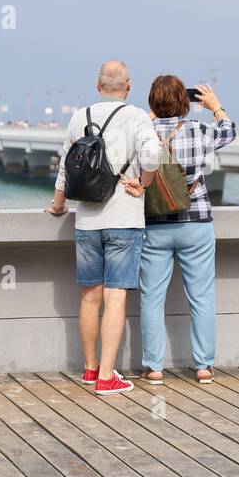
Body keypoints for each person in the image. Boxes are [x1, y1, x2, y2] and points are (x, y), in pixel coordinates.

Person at [45, 60, 161, 396]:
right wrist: (144, 181)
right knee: (115, 296)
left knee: (90, 296)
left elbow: (65, 168)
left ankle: (90, 367)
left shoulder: (79, 117)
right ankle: (108, 377)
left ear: (97, 87)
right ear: (128, 85)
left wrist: (58, 205)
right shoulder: (137, 116)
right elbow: (152, 154)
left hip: (86, 220)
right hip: (123, 220)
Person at [137, 76, 235, 386]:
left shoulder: (144, 131)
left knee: (152, 298)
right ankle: (204, 366)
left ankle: (154, 368)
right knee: (202, 296)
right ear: (187, 101)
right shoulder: (199, 129)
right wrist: (215, 107)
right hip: (196, 221)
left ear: (153, 102)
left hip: (154, 224)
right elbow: (229, 131)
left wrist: (151, 114)